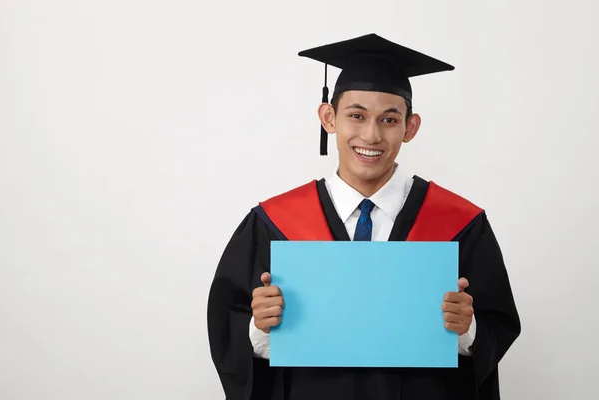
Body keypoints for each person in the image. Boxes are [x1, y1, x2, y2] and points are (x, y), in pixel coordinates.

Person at [207, 33, 521, 400]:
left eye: (389, 119)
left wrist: (467, 329)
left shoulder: (461, 224)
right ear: (329, 118)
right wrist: (259, 328)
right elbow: (229, 332)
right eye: (356, 116)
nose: (371, 135)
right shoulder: (273, 224)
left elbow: (496, 330)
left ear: (410, 127)